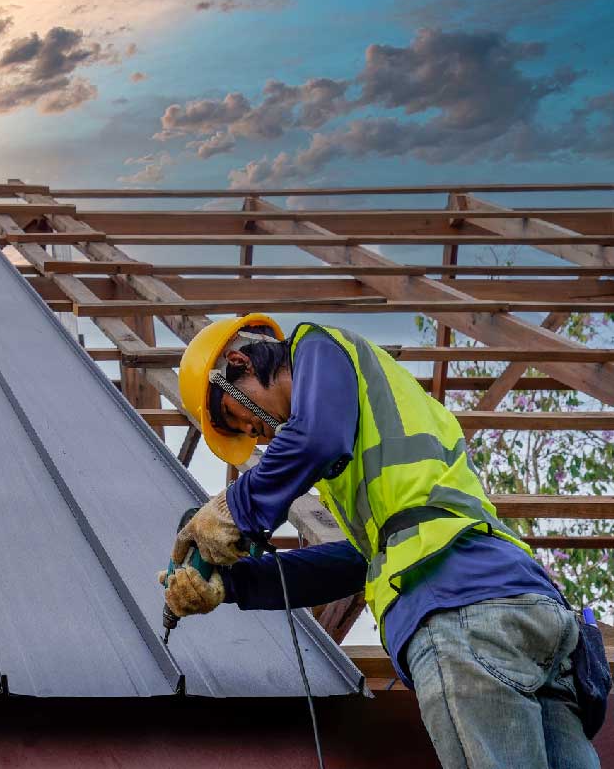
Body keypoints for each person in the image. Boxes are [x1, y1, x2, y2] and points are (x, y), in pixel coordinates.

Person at [161, 314, 599, 769]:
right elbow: (357, 564)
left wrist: (234, 509)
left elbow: (314, 440)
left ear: (239, 364)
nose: (260, 435)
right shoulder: (381, 452)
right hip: (529, 610)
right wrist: (234, 585)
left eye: (243, 418)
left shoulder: (316, 346)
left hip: (458, 610)